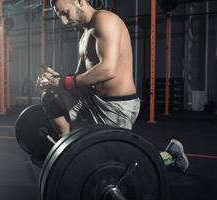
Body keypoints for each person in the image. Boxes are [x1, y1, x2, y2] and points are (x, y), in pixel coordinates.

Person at [36, 0, 189, 172]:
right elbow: (78, 78)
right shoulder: (85, 33)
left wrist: (63, 82)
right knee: (50, 96)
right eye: (60, 16)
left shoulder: (105, 20)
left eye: (65, 13)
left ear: (79, 1)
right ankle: (68, 149)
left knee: (111, 165)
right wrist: (55, 81)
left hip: (116, 106)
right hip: (92, 99)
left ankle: (170, 156)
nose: (64, 21)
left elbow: (108, 70)